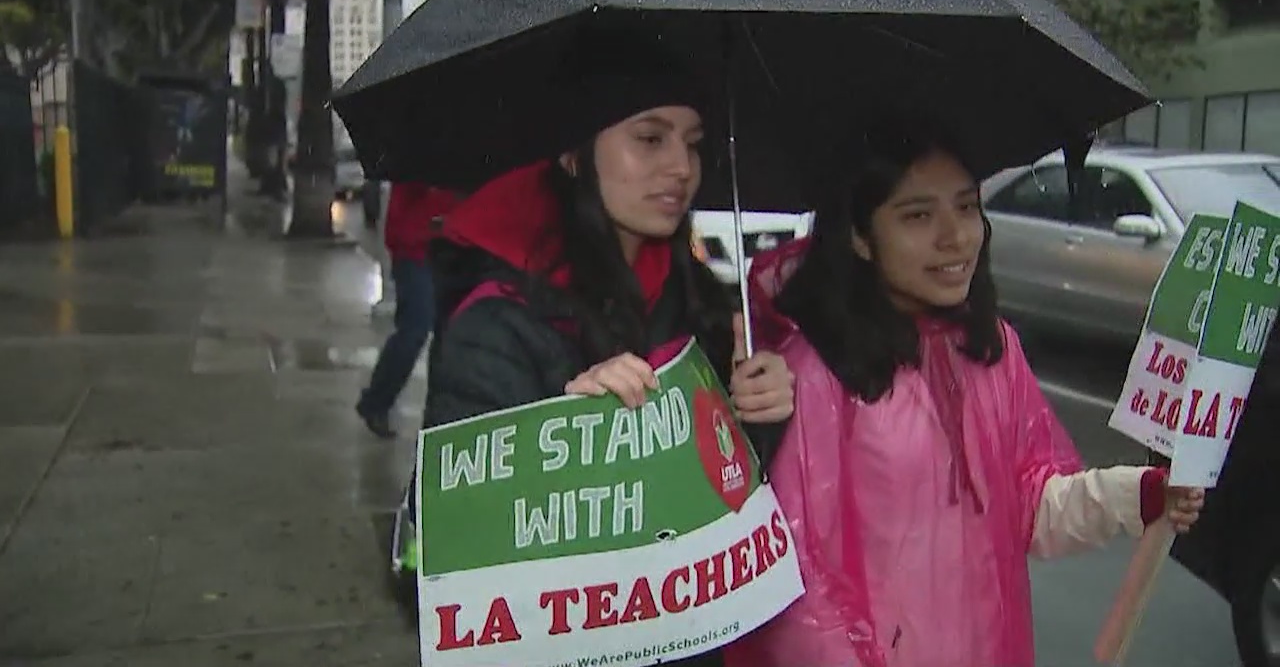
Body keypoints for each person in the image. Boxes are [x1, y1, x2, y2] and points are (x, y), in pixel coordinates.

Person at [723, 118, 1206, 667]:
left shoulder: (991, 348)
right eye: (918, 216)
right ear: (859, 236)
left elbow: (1029, 506)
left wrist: (1138, 495)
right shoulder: (810, 374)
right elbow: (804, 590)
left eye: (967, 206)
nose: (955, 236)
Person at [391, 39, 796, 667]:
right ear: (575, 155)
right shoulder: (496, 328)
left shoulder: (703, 306)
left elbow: (723, 511)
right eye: (650, 139)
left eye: (692, 142)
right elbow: (439, 559)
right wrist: (558, 440)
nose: (682, 168)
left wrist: (758, 414)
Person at [356, 181, 462, 438]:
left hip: (451, 249)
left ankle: (441, 414)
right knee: (415, 327)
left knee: (448, 334)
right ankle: (377, 401)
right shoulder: (418, 157)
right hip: (417, 251)